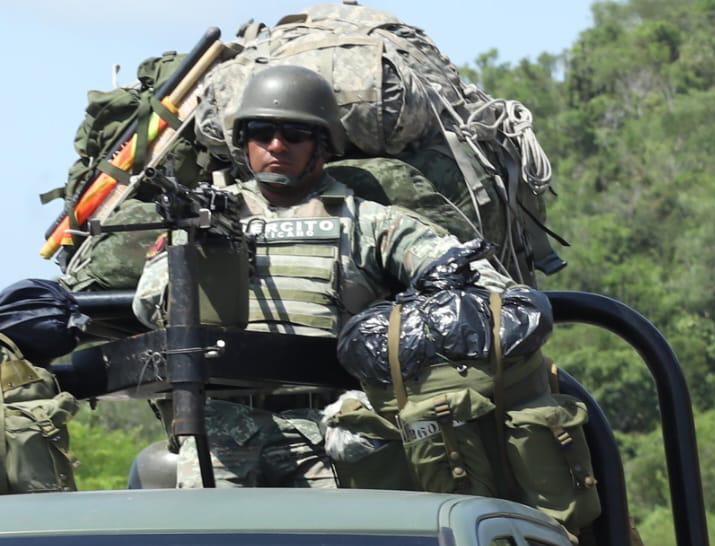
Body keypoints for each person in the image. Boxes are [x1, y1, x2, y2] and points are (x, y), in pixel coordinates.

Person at [132, 65, 512, 489]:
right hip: (220, 429)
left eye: (294, 135)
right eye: (261, 132)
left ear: (323, 143)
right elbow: (149, 304)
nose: (276, 145)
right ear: (244, 142)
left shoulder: (367, 222)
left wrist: (417, 330)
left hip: (329, 426)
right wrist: (202, 252)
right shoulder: (204, 217)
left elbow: (474, 279)